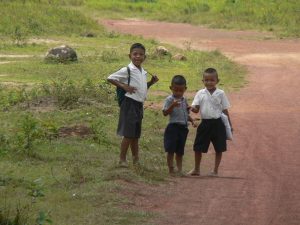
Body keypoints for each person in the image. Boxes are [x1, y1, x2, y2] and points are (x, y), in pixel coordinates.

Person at [107, 43, 159, 167]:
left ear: (144, 57)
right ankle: (122, 159)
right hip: (129, 104)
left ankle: (136, 159)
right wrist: (124, 86)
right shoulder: (127, 70)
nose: (138, 57)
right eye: (135, 54)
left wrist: (151, 82)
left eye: (141, 54)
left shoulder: (143, 72)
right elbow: (110, 78)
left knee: (135, 135)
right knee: (128, 134)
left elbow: (141, 88)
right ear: (129, 55)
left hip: (138, 105)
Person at [188, 68, 233, 176]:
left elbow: (225, 109)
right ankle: (196, 169)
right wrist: (190, 108)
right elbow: (196, 109)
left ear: (217, 81)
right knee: (198, 147)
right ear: (202, 81)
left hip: (218, 124)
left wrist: (230, 125)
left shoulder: (221, 93)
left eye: (212, 80)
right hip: (205, 123)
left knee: (219, 147)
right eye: (206, 80)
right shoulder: (200, 93)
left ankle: (215, 170)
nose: (209, 82)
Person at [163, 75, 195, 175]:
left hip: (183, 128)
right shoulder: (169, 99)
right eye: (175, 90)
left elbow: (186, 113)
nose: (178, 93)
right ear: (171, 88)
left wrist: (192, 120)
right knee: (171, 149)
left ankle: (180, 170)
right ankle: (171, 169)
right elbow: (165, 113)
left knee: (180, 151)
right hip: (173, 127)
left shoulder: (184, 99)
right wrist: (172, 105)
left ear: (185, 89)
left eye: (181, 90)